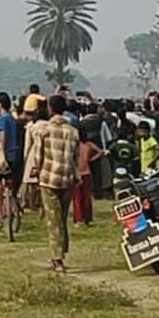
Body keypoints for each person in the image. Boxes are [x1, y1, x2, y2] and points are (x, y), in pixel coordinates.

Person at [24, 94, 79, 273]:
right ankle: (62, 250)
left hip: (48, 178)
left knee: (53, 220)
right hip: (67, 178)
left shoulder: (45, 130)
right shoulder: (73, 131)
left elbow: (38, 155)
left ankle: (57, 259)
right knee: (62, 217)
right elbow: (75, 158)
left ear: (50, 109)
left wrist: (35, 170)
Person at [72, 131, 100, 226]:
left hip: (77, 172)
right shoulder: (89, 144)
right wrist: (91, 160)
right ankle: (87, 218)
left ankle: (78, 219)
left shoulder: (75, 145)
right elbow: (101, 152)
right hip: (87, 172)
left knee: (77, 197)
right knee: (86, 196)